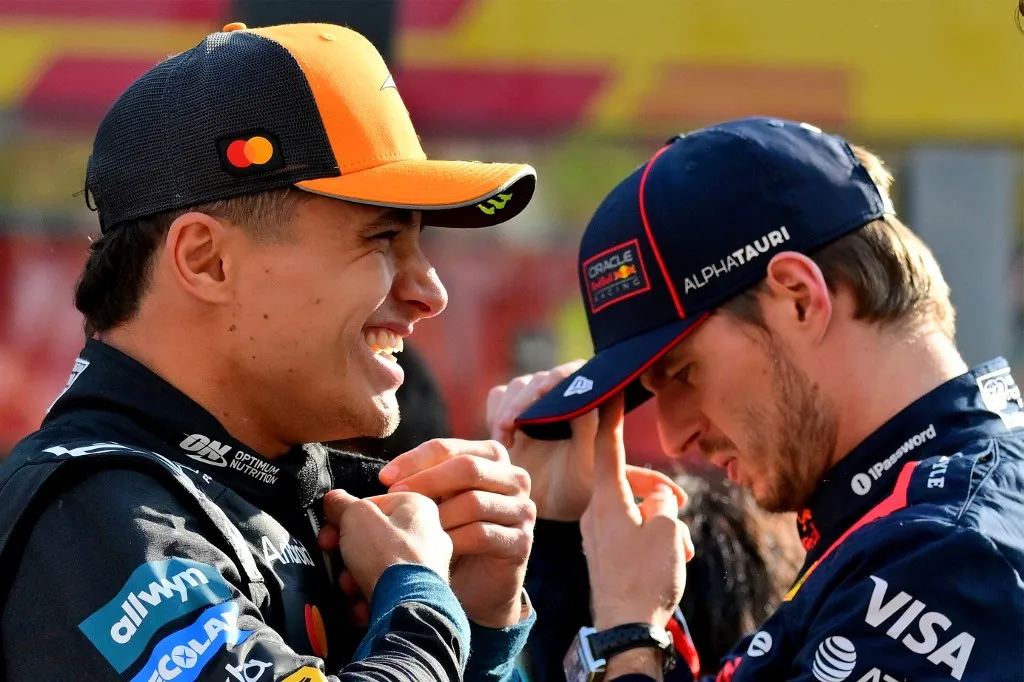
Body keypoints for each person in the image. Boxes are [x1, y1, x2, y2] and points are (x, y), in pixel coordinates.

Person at [0, 22, 539, 682]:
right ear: (208, 260)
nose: (431, 292)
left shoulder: (312, 499)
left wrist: (484, 628)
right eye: (381, 240)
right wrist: (422, 603)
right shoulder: (94, 513)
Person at [489, 117, 1024, 681]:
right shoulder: (900, 531)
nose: (674, 437)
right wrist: (563, 548)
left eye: (684, 373)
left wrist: (630, 629)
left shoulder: (950, 563)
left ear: (797, 299)